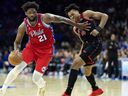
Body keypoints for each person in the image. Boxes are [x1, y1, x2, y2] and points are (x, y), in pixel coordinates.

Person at [0, 2, 89, 96]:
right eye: (29, 12)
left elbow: (62, 19)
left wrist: (77, 25)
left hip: (46, 51)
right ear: (26, 14)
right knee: (18, 67)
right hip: (32, 48)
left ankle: (42, 86)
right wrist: (16, 50)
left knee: (36, 78)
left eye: (34, 12)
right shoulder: (23, 26)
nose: (32, 14)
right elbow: (17, 42)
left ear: (36, 12)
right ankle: (4, 89)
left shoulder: (45, 18)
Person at [62, 4, 108, 96]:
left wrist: (98, 29)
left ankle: (68, 93)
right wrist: (80, 53)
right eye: (69, 16)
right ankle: (96, 89)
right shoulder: (75, 28)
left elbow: (104, 16)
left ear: (77, 11)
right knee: (87, 71)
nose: (71, 17)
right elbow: (83, 42)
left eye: (72, 14)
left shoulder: (86, 14)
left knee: (75, 64)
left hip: (96, 44)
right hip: (87, 47)